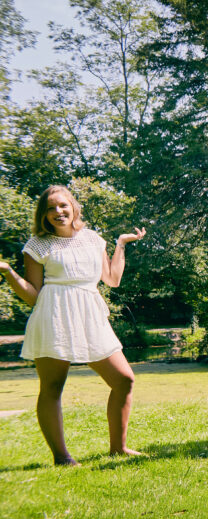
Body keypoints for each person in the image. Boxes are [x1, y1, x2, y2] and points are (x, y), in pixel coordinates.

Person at [0, 185, 146, 466]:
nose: (58, 212)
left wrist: (121, 244)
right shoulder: (37, 245)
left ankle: (119, 448)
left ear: (74, 207)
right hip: (53, 315)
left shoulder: (93, 239)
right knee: (52, 387)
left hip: (90, 315)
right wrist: (8, 273)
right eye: (51, 208)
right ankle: (62, 457)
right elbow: (33, 295)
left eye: (63, 205)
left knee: (124, 379)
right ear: (43, 214)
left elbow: (112, 279)